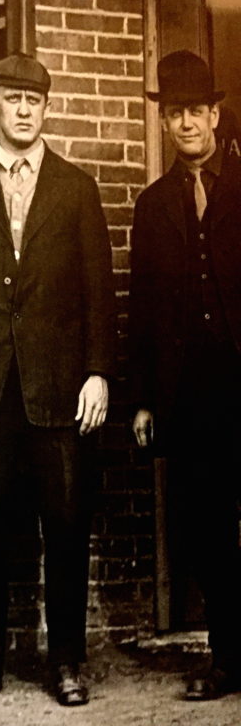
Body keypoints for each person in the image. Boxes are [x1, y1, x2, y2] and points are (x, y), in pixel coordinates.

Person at [0, 53, 116, 710]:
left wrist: (97, 372)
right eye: (12, 98)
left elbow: (99, 292)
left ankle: (66, 659)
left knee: (64, 524)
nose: (24, 109)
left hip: (60, 387)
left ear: (47, 107)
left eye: (35, 99)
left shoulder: (76, 187)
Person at [129, 50, 241, 701]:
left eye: (196, 111)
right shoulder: (154, 205)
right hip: (191, 393)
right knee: (205, 529)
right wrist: (143, 400)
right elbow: (141, 309)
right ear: (166, 122)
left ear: (215, 115)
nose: (186, 123)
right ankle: (227, 657)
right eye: (174, 113)